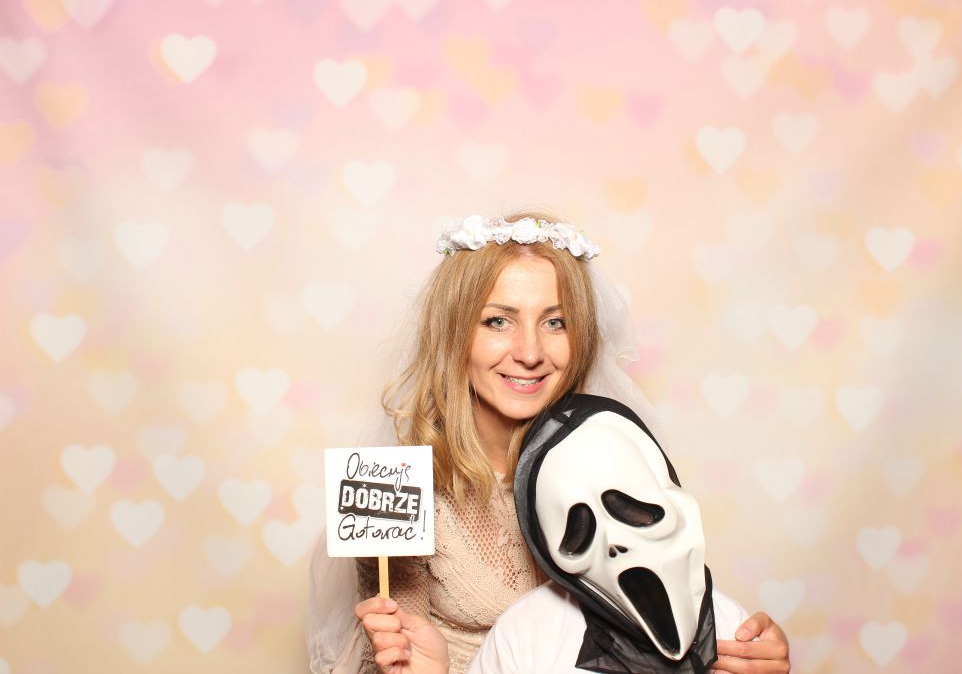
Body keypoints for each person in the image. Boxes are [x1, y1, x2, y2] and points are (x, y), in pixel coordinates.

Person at [306, 212, 790, 673]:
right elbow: (399, 655)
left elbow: (665, 615)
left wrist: (741, 649)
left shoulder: (612, 458)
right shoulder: (400, 492)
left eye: (555, 322)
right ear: (454, 333)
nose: (530, 352)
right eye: (498, 321)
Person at [359, 394, 778, 674]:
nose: (614, 543)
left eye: (631, 509)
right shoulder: (526, 629)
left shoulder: (729, 625)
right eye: (579, 532)